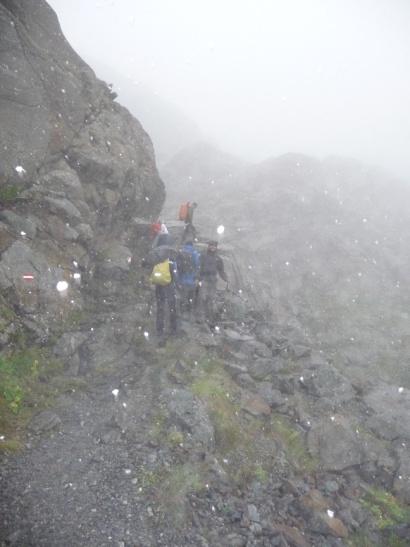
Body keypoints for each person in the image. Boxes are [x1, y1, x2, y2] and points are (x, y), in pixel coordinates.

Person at [144, 233, 178, 346]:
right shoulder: (172, 252)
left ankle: (160, 330)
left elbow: (146, 264)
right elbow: (177, 269)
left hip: (159, 284)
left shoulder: (156, 252)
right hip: (170, 284)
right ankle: (173, 330)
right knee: (172, 307)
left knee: (160, 307)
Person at [198, 240, 228, 330]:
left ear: (216, 247)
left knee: (211, 300)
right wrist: (198, 278)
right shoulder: (203, 256)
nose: (212, 247)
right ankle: (201, 318)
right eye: (211, 245)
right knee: (202, 298)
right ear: (208, 246)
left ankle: (210, 319)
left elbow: (221, 270)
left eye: (214, 246)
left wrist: (225, 278)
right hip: (204, 279)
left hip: (213, 281)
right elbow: (199, 267)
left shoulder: (218, 259)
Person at [177, 239, 201, 315]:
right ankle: (190, 314)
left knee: (182, 297)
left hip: (182, 280)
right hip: (192, 281)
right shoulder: (195, 254)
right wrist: (197, 278)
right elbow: (198, 266)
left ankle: (181, 313)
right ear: (192, 246)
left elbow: (177, 266)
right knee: (191, 298)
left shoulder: (181, 253)